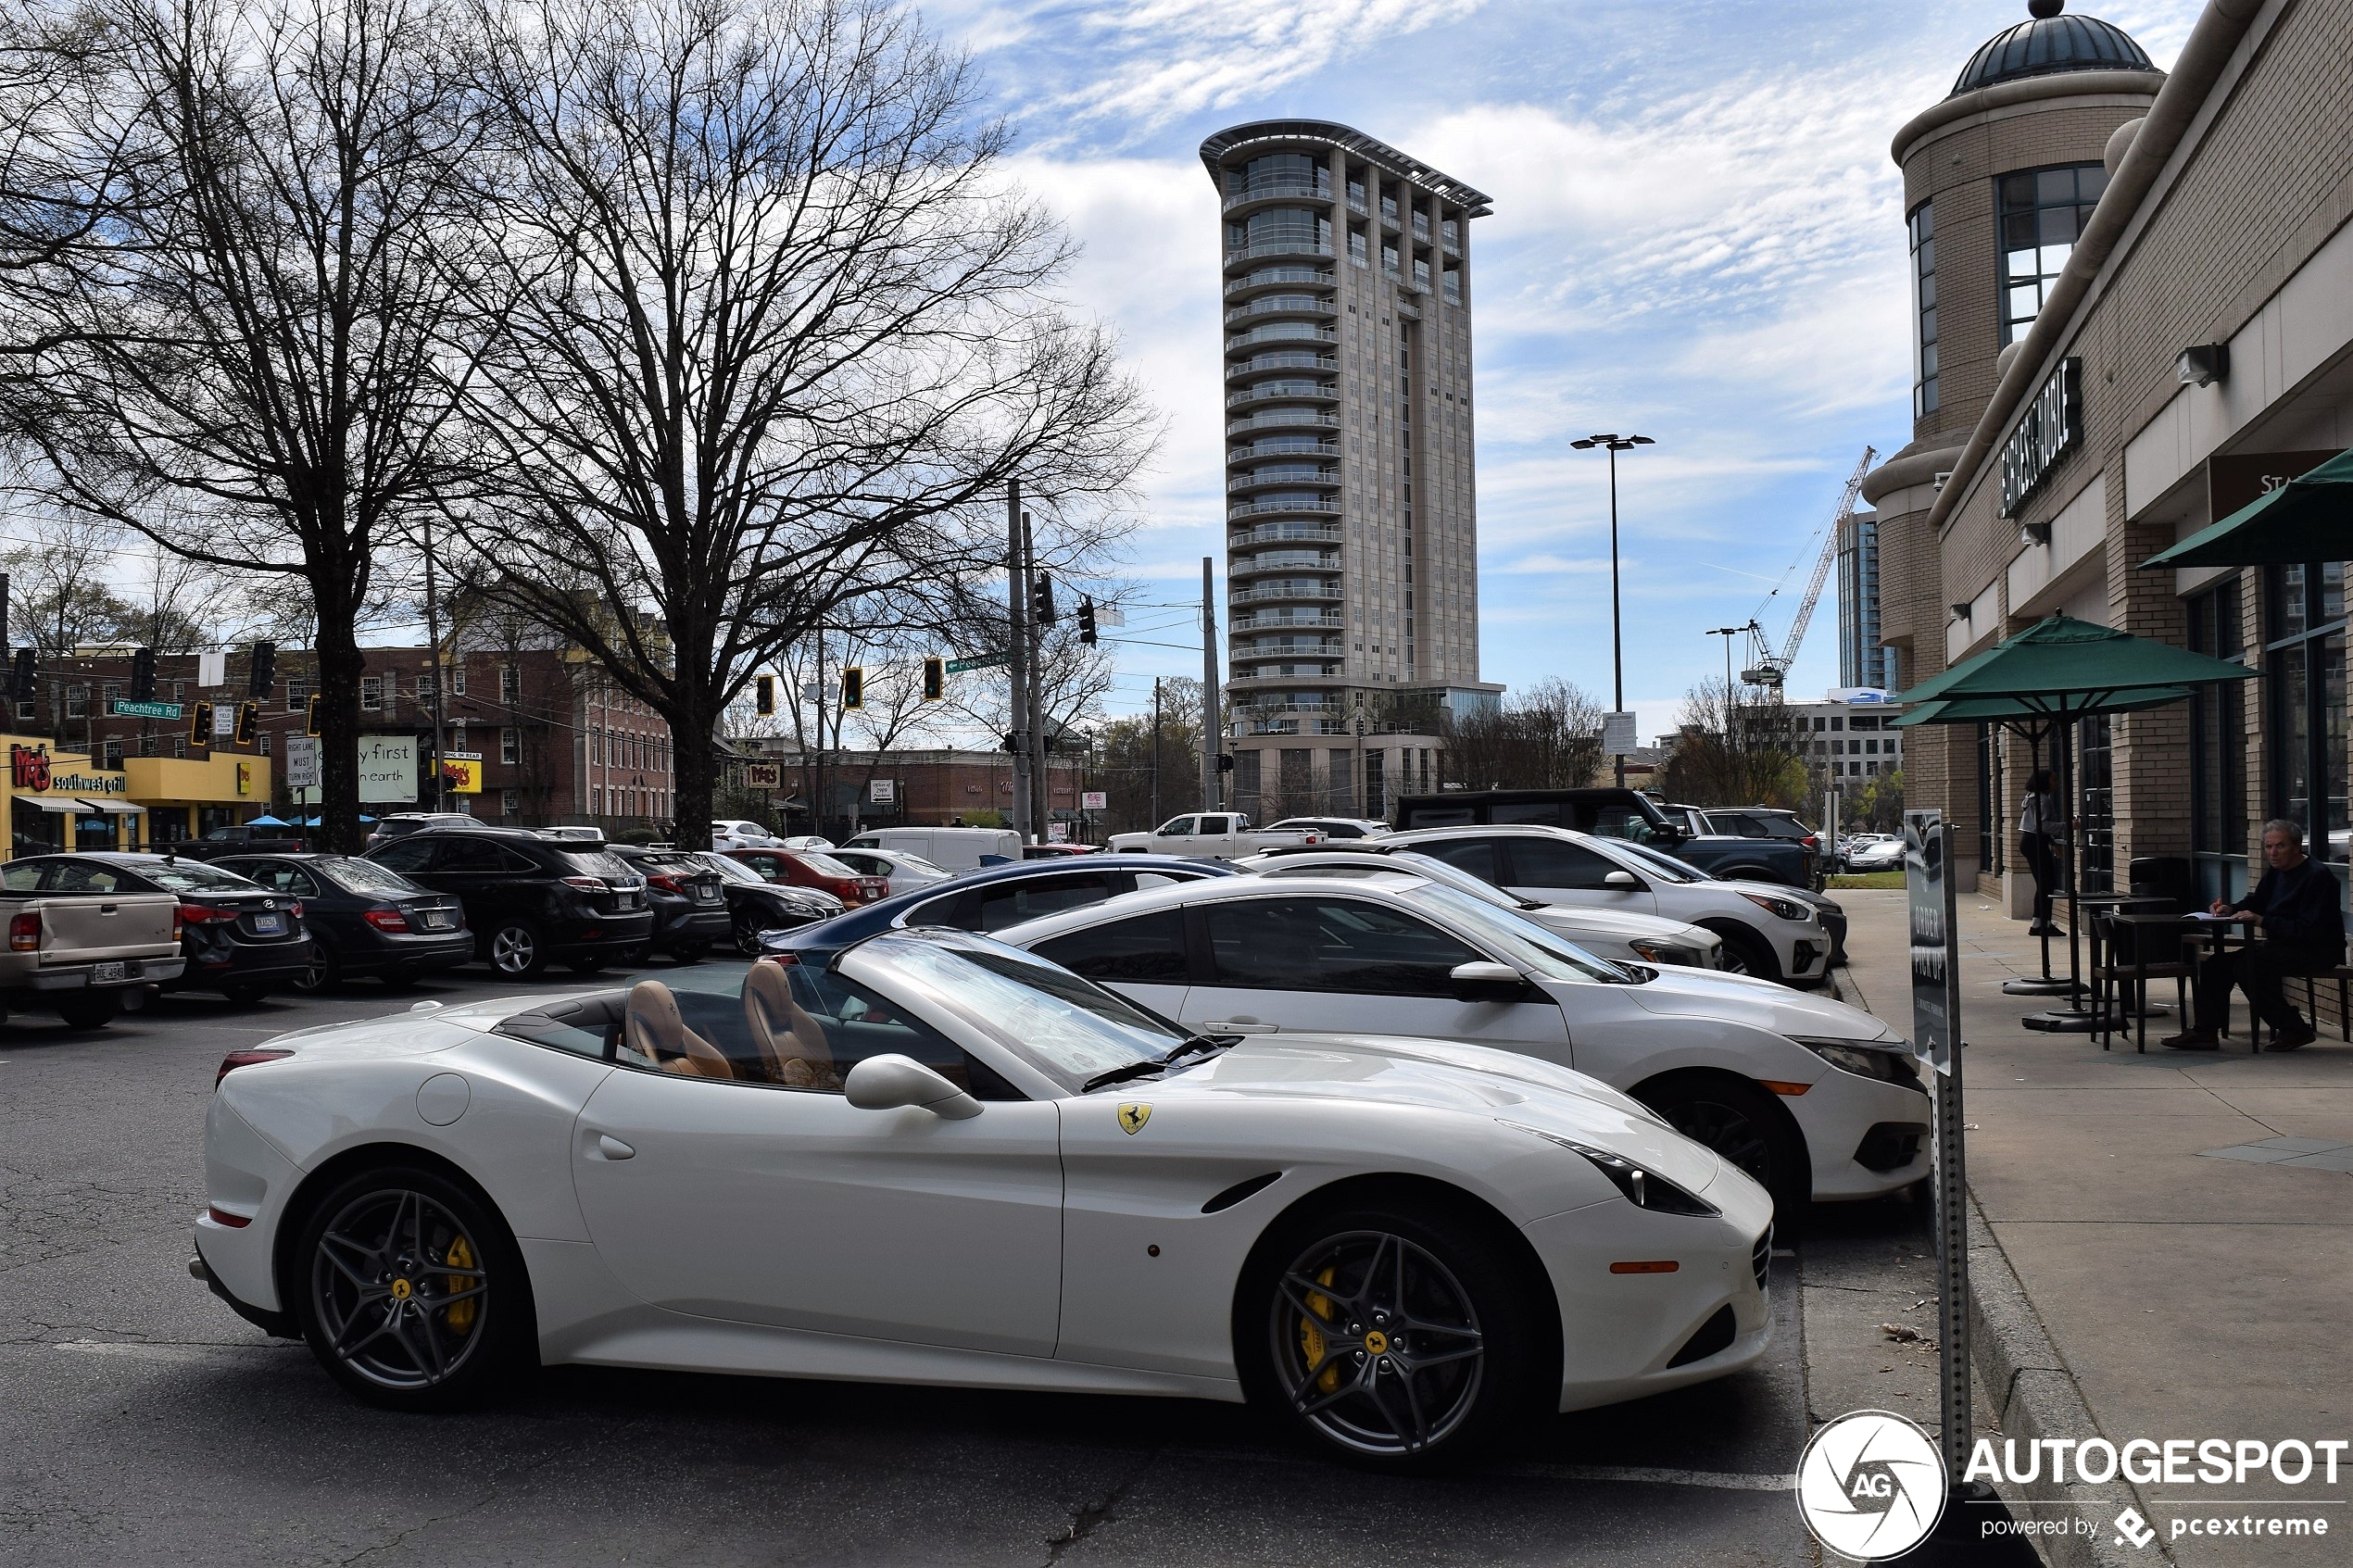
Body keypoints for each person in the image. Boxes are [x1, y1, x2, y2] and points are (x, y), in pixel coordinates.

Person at [2162, 819, 2346, 1051]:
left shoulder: (2317, 876)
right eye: (2268, 847)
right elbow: (2257, 900)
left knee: (2247, 967)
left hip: (2317, 949)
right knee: (2215, 964)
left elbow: (2310, 929)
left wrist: (2263, 920)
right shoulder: (2276, 872)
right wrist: (2231, 908)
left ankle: (2294, 1029)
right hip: (2282, 945)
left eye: (2280, 846)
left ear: (2297, 846)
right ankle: (2205, 1032)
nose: (2273, 853)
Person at [2019, 768, 2065, 935]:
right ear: (2045, 782)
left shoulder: (2032, 797)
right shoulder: (2043, 800)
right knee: (2047, 884)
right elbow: (2042, 825)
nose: (2057, 783)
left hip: (2030, 841)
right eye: (2054, 780)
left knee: (2044, 884)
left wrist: (2051, 842)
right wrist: (2066, 826)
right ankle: (2042, 924)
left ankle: (2039, 923)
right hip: (2034, 843)